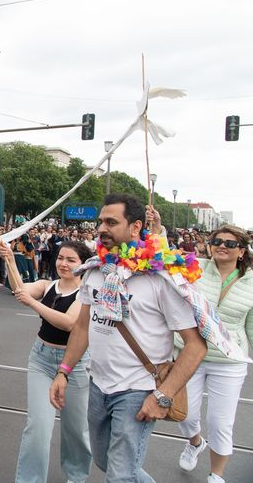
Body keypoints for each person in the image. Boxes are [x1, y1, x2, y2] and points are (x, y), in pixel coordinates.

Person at [49, 193, 208, 482]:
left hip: (138, 390)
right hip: (99, 385)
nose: (101, 229)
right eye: (100, 222)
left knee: (120, 474)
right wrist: (64, 371)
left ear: (135, 227)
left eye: (111, 222)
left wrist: (163, 395)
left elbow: (196, 346)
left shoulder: (160, 278)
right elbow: (83, 326)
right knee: (104, 461)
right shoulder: (95, 271)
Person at [0, 240, 93, 483]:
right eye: (61, 258)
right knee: (38, 427)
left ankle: (76, 476)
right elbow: (19, 288)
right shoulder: (47, 284)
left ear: (83, 265)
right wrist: (9, 258)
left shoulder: (86, 293)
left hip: (75, 364)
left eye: (71, 260)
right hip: (41, 359)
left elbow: (69, 323)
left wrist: (33, 303)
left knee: (76, 430)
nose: (63, 263)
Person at [174, 225, 253, 483]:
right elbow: (163, 256)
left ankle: (216, 475)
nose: (222, 246)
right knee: (185, 414)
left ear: (241, 251)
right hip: (191, 355)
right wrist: (156, 228)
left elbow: (251, 326)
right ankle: (195, 442)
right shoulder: (194, 268)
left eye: (230, 244)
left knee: (221, 423)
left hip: (229, 361)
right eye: (217, 241)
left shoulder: (251, 281)